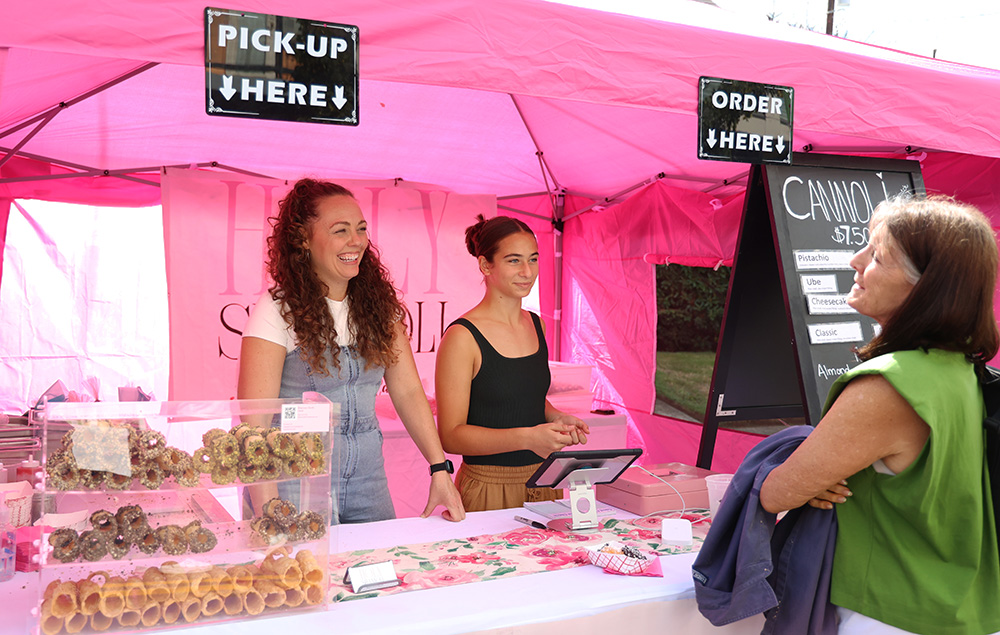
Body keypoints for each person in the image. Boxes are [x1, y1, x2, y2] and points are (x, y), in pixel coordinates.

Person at [759, 195, 1000, 634]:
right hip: (965, 605)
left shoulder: (889, 384)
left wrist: (808, 477)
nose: (855, 260)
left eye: (877, 255)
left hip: (893, 612)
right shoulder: (964, 370)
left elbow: (777, 494)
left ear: (923, 286)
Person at [238, 178, 465, 524]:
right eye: (340, 230)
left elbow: (407, 391)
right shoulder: (276, 310)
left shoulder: (379, 308)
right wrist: (270, 514)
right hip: (294, 486)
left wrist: (439, 469)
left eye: (360, 229)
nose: (356, 241)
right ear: (303, 239)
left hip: (367, 484)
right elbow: (255, 425)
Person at [435, 214, 590, 512]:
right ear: (485, 265)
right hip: (487, 489)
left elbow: (524, 399)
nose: (527, 271)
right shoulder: (462, 337)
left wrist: (555, 417)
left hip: (545, 483)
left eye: (533, 259)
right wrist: (528, 438)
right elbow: (451, 436)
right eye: (514, 261)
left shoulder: (537, 325)